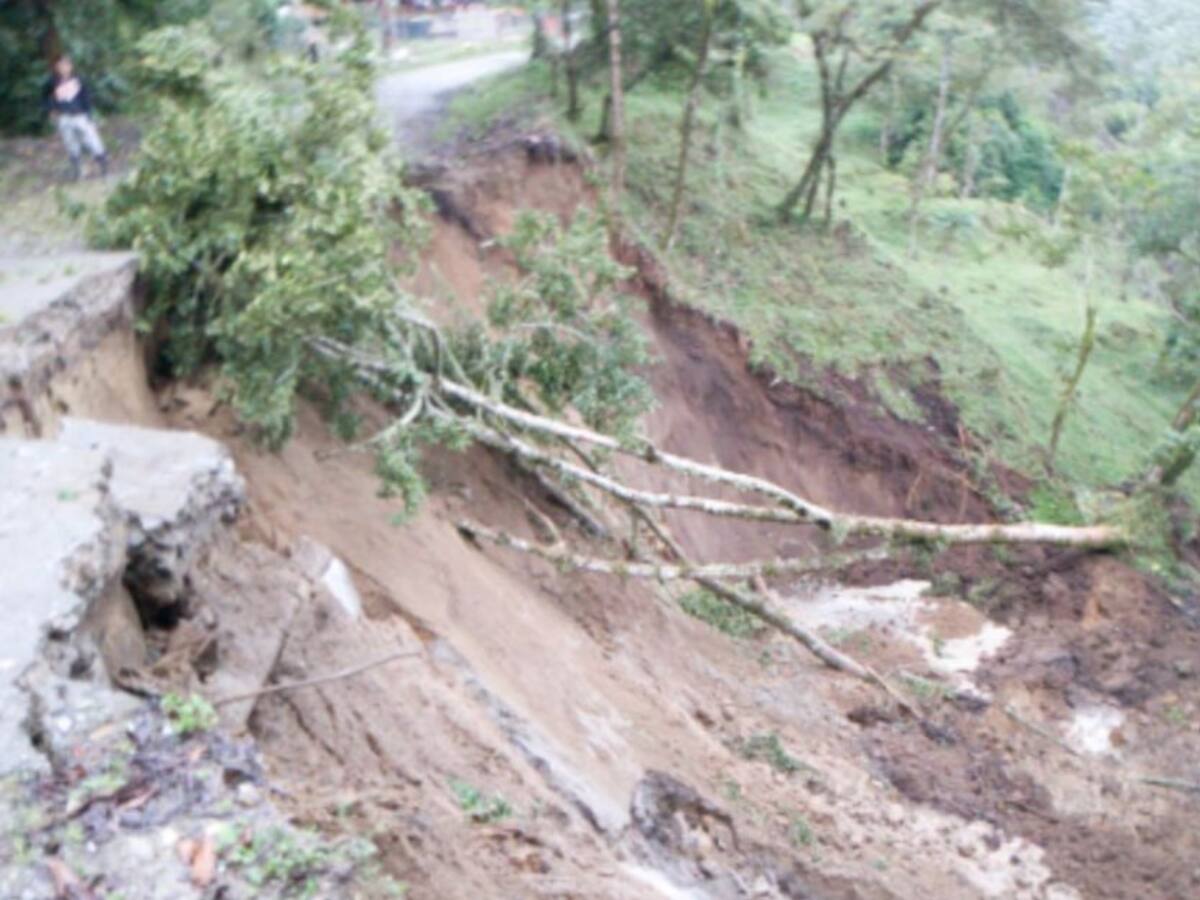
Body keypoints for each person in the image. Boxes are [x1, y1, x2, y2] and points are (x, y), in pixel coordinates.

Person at [43, 55, 108, 180]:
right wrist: (51, 109)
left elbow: (86, 97)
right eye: (61, 65)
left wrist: (89, 114)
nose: (64, 68)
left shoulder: (79, 80)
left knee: (91, 139)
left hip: (79, 115)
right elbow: (45, 97)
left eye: (67, 65)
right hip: (63, 116)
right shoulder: (52, 82)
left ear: (71, 66)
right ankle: (78, 170)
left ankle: (103, 164)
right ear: (57, 67)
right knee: (70, 143)